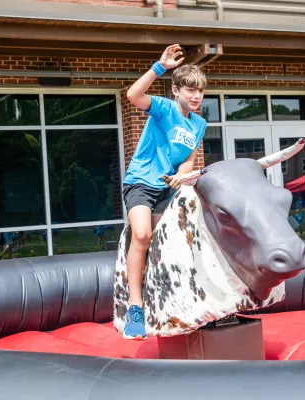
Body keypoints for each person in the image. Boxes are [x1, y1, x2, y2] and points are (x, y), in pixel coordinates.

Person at [121, 44, 208, 340]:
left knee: (179, 240)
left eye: (200, 92)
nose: (195, 97)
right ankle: (134, 307)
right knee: (143, 234)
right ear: (176, 91)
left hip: (168, 188)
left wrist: (180, 177)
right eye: (189, 90)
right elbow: (133, 95)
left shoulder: (199, 123)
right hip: (141, 183)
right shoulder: (164, 108)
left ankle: (179, 301)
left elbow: (189, 160)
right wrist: (160, 67)